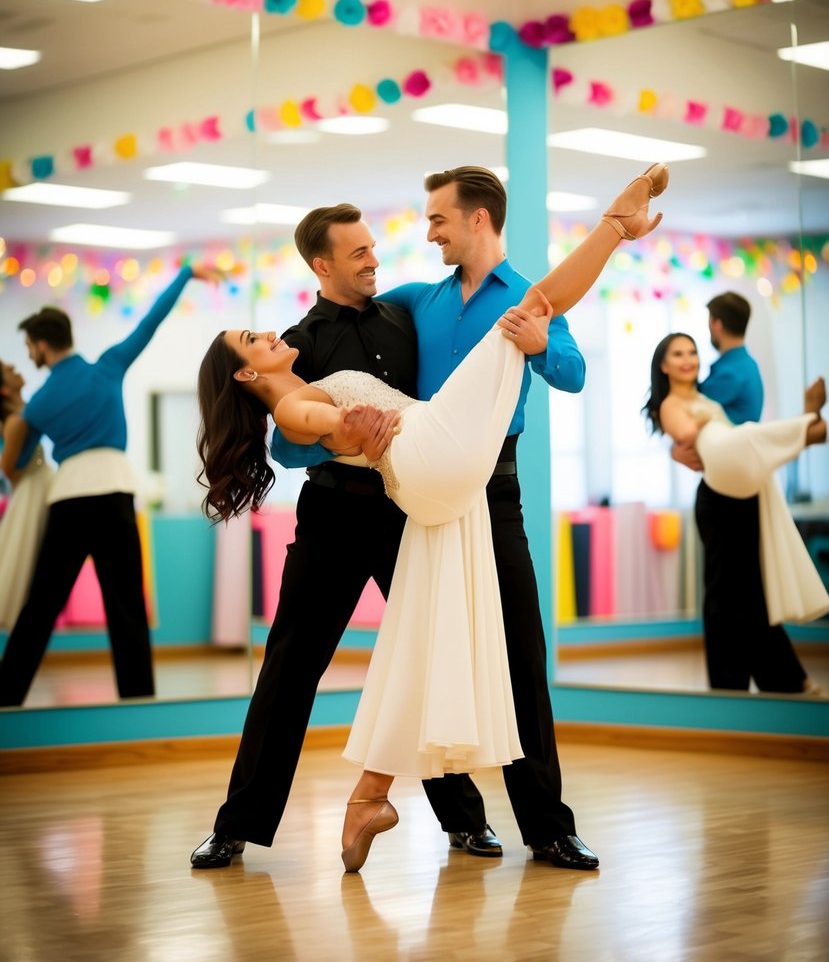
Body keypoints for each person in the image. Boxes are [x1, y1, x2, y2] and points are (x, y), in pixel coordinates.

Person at [195, 163, 668, 873]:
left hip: (435, 499)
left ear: (475, 220)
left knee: (486, 653)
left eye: (378, 245)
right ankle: (237, 825)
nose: (379, 255)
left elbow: (570, 372)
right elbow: (290, 437)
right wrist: (342, 438)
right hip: (340, 513)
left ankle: (511, 825)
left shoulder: (407, 308)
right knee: (291, 666)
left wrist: (541, 346)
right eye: (358, 252)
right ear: (322, 264)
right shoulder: (310, 334)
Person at [0, 263, 217, 706]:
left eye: (29, 347)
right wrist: (187, 273)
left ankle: (6, 696)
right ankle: (138, 701)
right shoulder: (108, 367)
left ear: (42, 344)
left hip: (68, 501)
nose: (31, 355)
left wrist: (20, 417)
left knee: (41, 606)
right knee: (127, 607)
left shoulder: (39, 403)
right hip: (116, 493)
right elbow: (151, 321)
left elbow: (17, 465)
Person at [646, 331, 829, 693]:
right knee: (723, 595)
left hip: (741, 497)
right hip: (717, 502)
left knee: (749, 592)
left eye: (692, 352)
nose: (688, 360)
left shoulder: (703, 397)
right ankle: (732, 686)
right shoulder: (671, 403)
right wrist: (704, 427)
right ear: (664, 365)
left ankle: (782, 681)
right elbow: (684, 433)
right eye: (679, 354)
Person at [0, 361, 55, 630]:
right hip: (31, 490)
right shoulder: (14, 421)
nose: (16, 367)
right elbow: (8, 468)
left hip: (42, 483)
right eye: (10, 370)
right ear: (5, 389)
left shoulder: (28, 411)